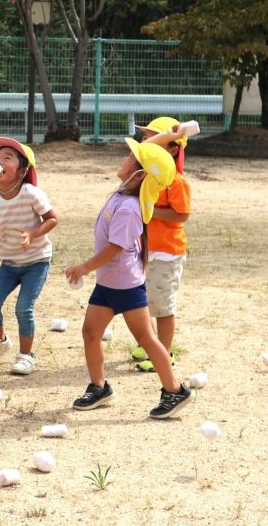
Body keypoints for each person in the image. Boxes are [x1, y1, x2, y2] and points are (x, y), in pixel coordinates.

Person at [63, 137, 194, 419]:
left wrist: (85, 267)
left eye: (129, 158)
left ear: (140, 174)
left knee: (146, 338)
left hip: (124, 284)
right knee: (90, 333)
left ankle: (174, 390)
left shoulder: (130, 208)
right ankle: (99, 387)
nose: (123, 159)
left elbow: (114, 248)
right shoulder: (122, 193)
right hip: (109, 282)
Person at [0, 137, 58, 376]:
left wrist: (33, 233)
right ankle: (0, 341)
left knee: (24, 308)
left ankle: (26, 355)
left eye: (7, 158)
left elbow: (52, 218)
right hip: (9, 262)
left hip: (36, 261)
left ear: (22, 170)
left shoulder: (30, 192)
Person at [130, 117, 192, 372]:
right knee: (142, 302)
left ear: (174, 148)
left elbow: (182, 214)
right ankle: (150, 345)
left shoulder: (176, 181)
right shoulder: (144, 177)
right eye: (145, 138)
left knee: (163, 307)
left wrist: (150, 211)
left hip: (166, 253)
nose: (147, 143)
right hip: (144, 250)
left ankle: (164, 355)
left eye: (155, 139)